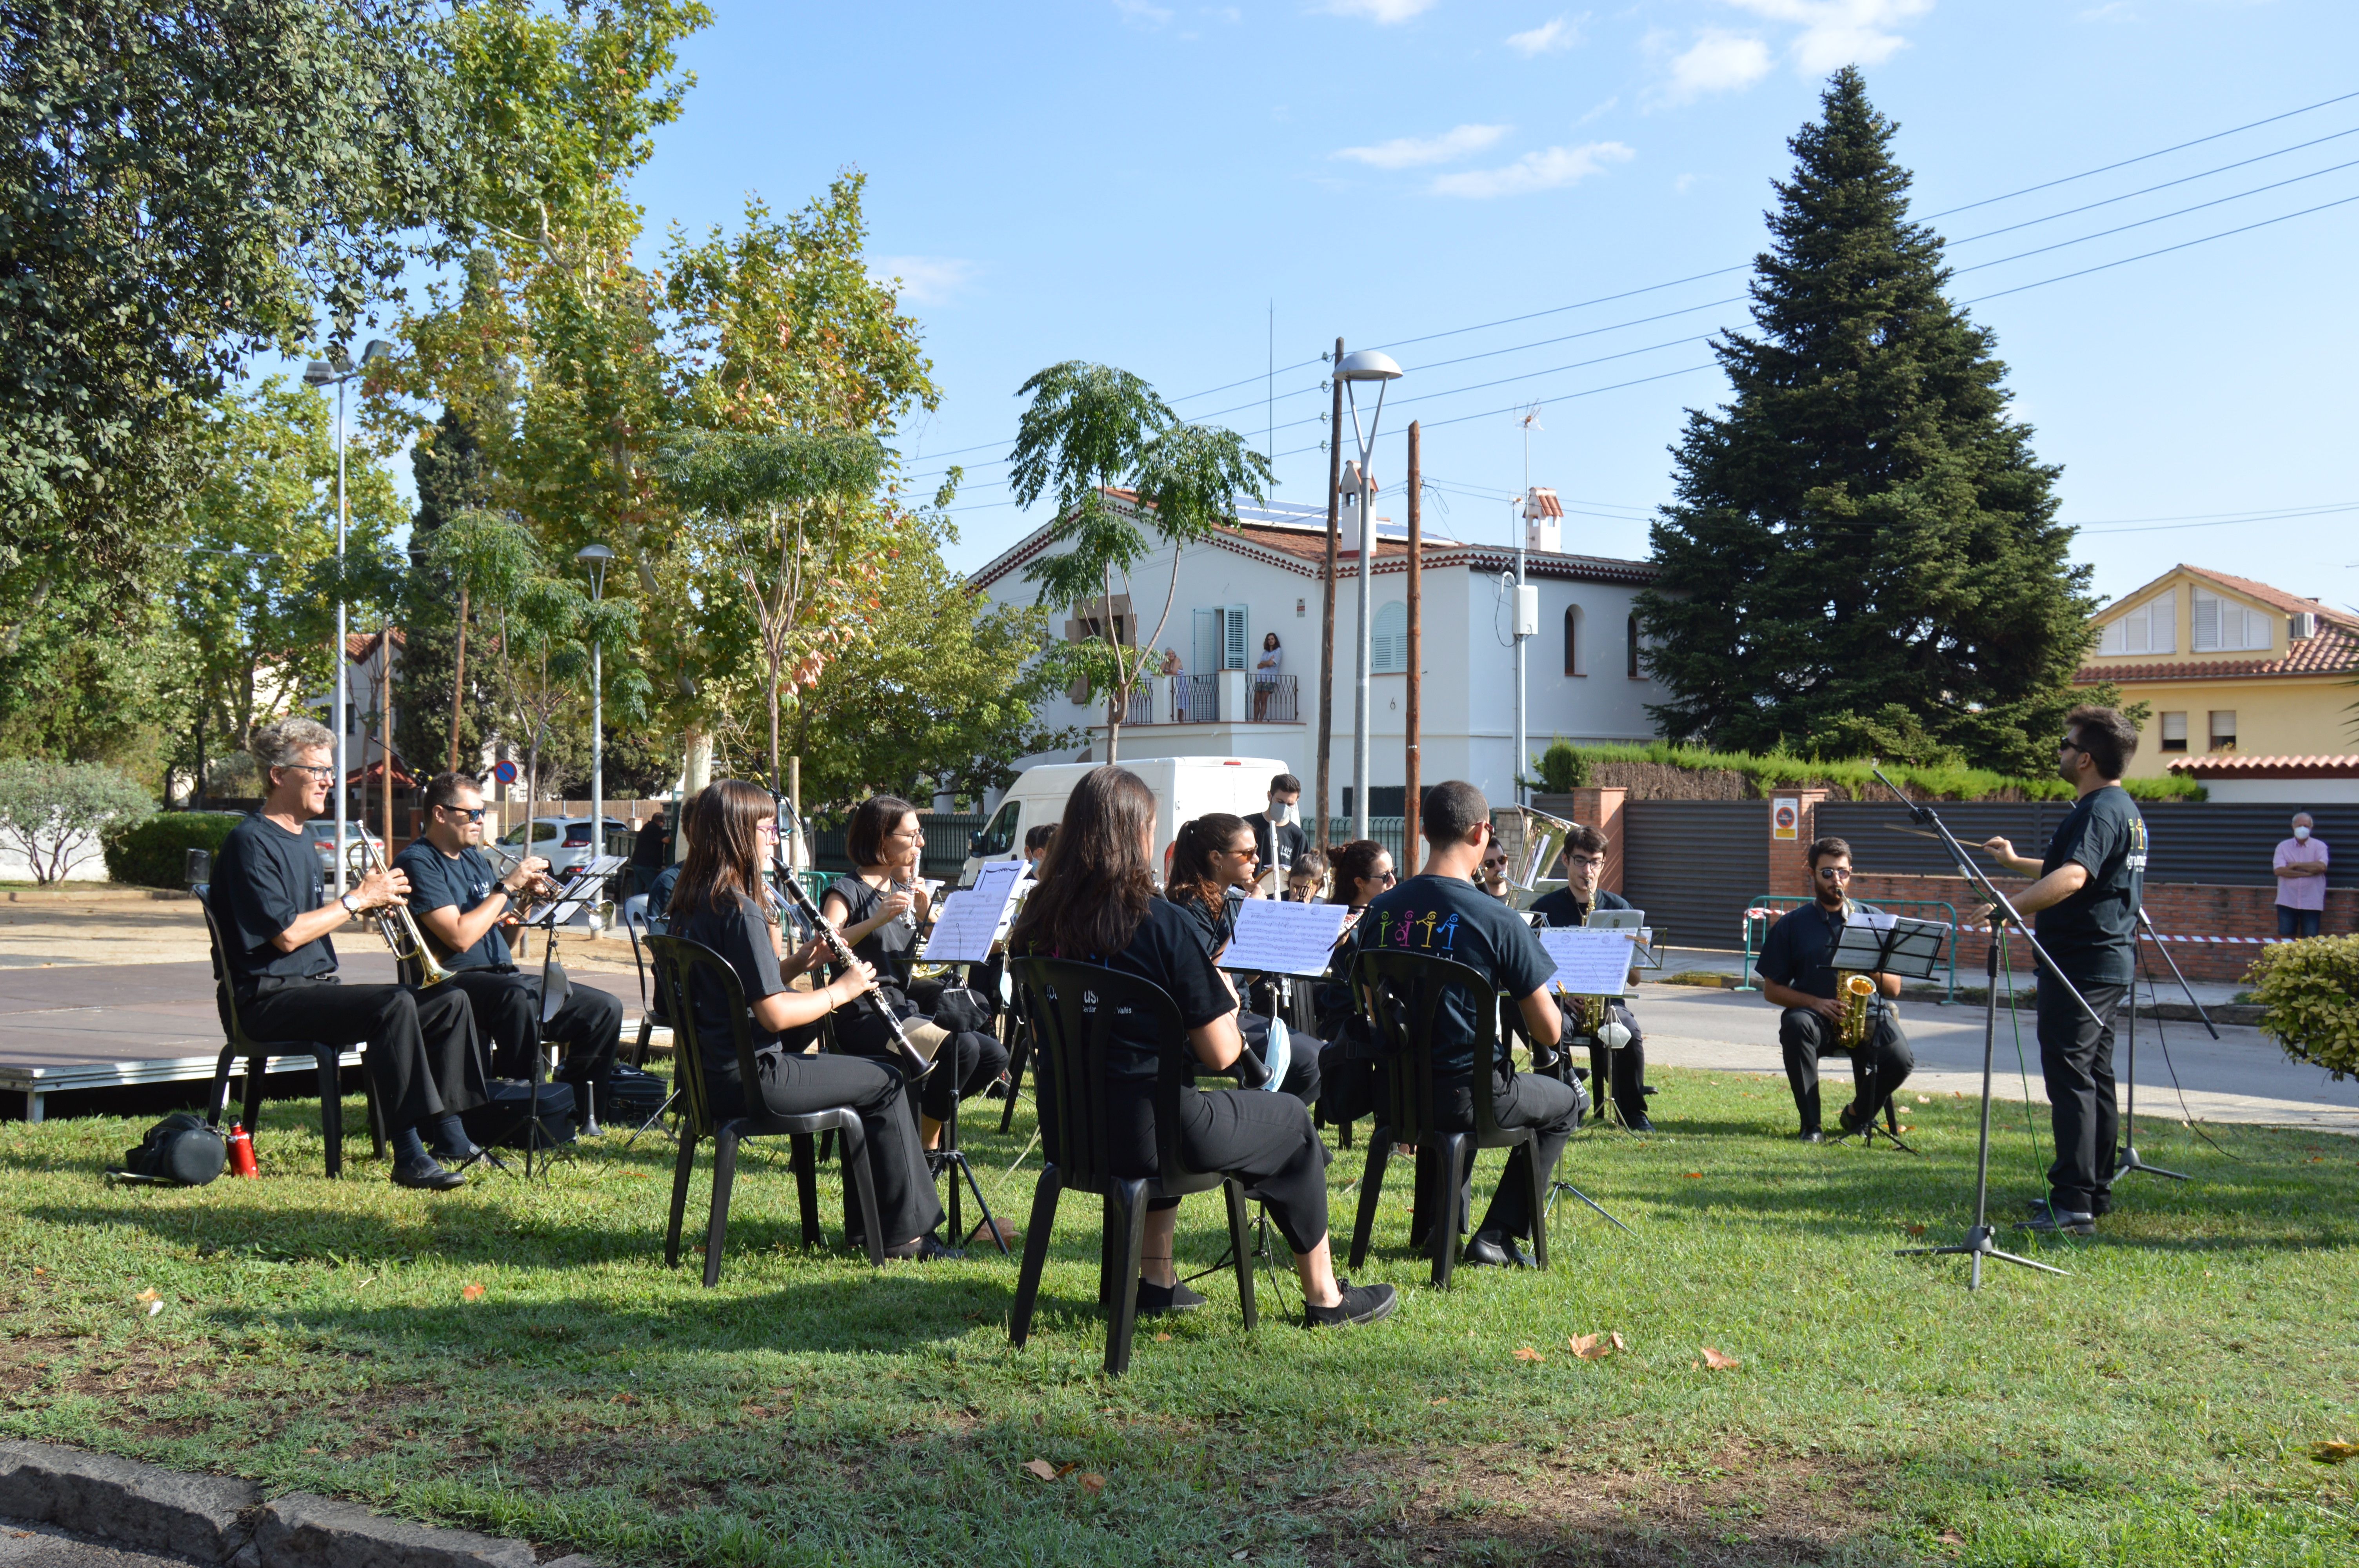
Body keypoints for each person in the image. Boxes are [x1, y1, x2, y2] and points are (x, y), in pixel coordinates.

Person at [1008, 765, 1395, 1328]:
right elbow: (1218, 1053)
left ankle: (1158, 1281)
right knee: (1289, 1121)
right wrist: (1229, 1009)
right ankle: (1325, 1298)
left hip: (1071, 1133)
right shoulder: (1159, 923)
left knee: (1175, 1097)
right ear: (1136, 835)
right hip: (1151, 1137)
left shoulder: (1035, 923)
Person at [667, 779, 952, 1259]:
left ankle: (877, 1229)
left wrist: (800, 963)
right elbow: (775, 1013)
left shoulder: (692, 904)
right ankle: (903, 1237)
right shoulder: (741, 909)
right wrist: (844, 990)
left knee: (875, 1079)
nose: (774, 838)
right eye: (766, 828)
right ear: (739, 833)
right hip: (753, 1077)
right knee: (885, 1080)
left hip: (708, 1077)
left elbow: (738, 989)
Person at [209, 718, 487, 1191]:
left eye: (331, 771)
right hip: (264, 998)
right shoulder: (250, 843)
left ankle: (452, 1134)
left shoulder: (301, 838)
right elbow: (287, 938)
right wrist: (359, 899)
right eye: (316, 770)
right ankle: (408, 1154)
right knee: (393, 1004)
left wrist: (376, 904)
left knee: (450, 1000)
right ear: (278, 775)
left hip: (312, 988)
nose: (328, 781)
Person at [1347, 782, 1586, 1270]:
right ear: (1482, 832)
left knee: (1457, 1082)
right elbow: (1549, 1032)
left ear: (1423, 831)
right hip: (1468, 1099)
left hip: (1395, 1096)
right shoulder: (1497, 920)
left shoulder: (1379, 912)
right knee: (1566, 1103)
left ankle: (1441, 1225)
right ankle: (1496, 1235)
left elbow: (1373, 1008)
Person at [1980, 706, 2149, 1236]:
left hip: (2079, 965)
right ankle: (2092, 1193)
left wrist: (2010, 907)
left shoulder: (2098, 810)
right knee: (2095, 1077)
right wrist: (2014, 864)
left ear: (2086, 758)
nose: (2059, 750)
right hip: (2103, 963)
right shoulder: (2120, 809)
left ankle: (2073, 1203)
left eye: (2064, 744)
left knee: (2072, 1080)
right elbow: (2079, 866)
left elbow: (2074, 877)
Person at [396, 771, 625, 1134]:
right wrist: (507, 887)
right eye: (471, 813)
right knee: (517, 1000)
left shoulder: (474, 859)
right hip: (451, 984)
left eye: (483, 812)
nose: (481, 820)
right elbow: (459, 937)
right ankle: (522, 1113)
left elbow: (501, 942)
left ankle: (575, 1110)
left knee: (604, 1009)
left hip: (499, 976)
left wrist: (527, 901)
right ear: (440, 814)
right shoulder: (418, 862)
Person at [821, 795, 1007, 1149]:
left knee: (994, 1056)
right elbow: (824, 943)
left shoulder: (901, 891)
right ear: (882, 839)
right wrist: (875, 920)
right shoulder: (848, 891)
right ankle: (926, 1144)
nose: (921, 843)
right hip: (863, 1014)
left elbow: (947, 951)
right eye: (912, 835)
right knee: (963, 1048)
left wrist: (926, 917)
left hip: (900, 1008)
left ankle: (919, 1122)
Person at [1753, 837, 1916, 1143]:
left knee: (1901, 1061)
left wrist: (1869, 962)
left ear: (1850, 873)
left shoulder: (1875, 920)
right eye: (1827, 873)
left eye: (1842, 872)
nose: (1836, 880)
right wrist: (1814, 1002)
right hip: (1816, 1017)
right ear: (1812, 874)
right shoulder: (1792, 925)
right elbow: (1772, 990)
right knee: (1795, 1024)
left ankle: (1856, 1113)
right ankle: (1811, 1126)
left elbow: (1893, 988)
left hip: (1865, 1014)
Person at [1164, 814, 1323, 1105]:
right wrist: (1249, 920)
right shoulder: (1186, 905)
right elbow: (1207, 978)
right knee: (1311, 1063)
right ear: (1217, 858)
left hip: (1239, 1013)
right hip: (1210, 1025)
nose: (1257, 859)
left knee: (1321, 1056)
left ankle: (1268, 1121)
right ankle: (1265, 1120)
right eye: (1248, 853)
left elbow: (1241, 978)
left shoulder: (1230, 899)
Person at [1528, 826, 1654, 1132]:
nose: (1588, 870)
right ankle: (1565, 1103)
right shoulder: (1544, 911)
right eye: (1581, 861)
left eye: (1595, 862)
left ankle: (1634, 1111)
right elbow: (1529, 968)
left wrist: (1634, 951)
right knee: (1551, 1030)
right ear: (1566, 861)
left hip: (1608, 1002)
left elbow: (1634, 979)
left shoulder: (1620, 909)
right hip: (1563, 1000)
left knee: (1632, 1034)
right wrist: (1560, 992)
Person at [1313, 839, 1394, 1131]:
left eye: (1393, 872)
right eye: (1385, 877)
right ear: (1360, 882)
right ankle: (1397, 1128)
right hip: (1348, 1021)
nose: (1394, 882)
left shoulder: (1381, 918)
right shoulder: (1345, 923)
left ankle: (1402, 1126)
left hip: (1373, 1013)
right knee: (1401, 1040)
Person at [1243, 773, 1310, 895]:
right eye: (1280, 802)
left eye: (1290, 804)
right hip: (1251, 900)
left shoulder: (1298, 836)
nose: (1284, 808)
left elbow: (1304, 877)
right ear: (1270, 796)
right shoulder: (1247, 826)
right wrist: (1242, 881)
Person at [2274, 812, 2329, 939]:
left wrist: (2296, 865)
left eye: (2306, 826)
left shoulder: (2320, 846)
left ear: (2311, 828)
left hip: (2312, 901)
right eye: (2300, 826)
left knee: (2311, 941)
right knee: (2285, 939)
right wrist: (2309, 873)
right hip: (2287, 901)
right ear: (2293, 827)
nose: (2303, 829)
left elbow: (2321, 867)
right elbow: (2279, 871)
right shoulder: (2283, 847)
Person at [1253, 632, 1284, 721]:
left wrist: (1265, 663)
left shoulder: (1278, 651)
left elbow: (1271, 664)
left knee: (1264, 700)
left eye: (1272, 639)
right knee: (1256, 700)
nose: (1271, 641)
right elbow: (1259, 666)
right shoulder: (1265, 653)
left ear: (1275, 640)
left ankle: (1260, 721)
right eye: (1269, 639)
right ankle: (1255, 721)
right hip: (1260, 679)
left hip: (1270, 679)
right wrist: (1266, 663)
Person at [1161, 647, 1189, 722]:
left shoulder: (1177, 660)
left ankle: (1181, 723)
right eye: (1169, 654)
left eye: (1173, 653)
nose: (1171, 655)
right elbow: (1159, 672)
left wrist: (1165, 673)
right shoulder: (1166, 663)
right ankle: (1170, 722)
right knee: (1170, 705)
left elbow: (1174, 672)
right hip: (1169, 686)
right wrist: (1165, 661)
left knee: (1180, 706)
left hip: (1180, 685)